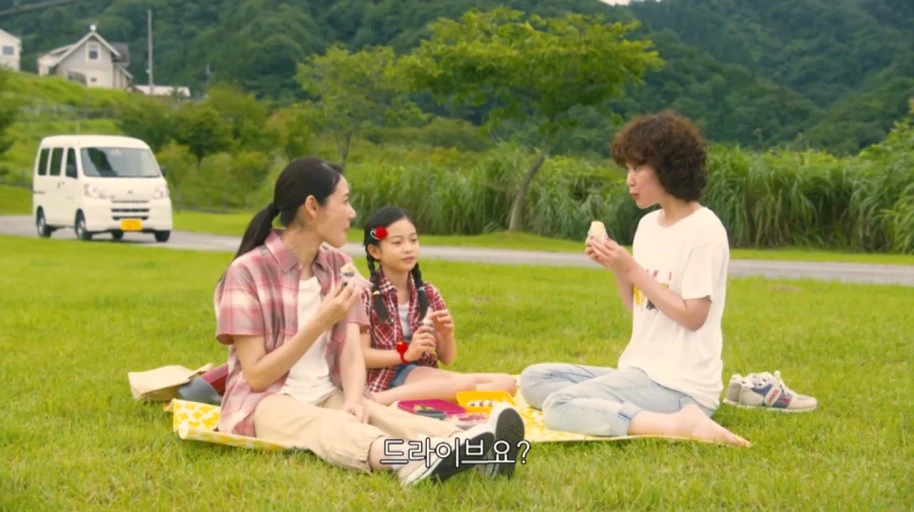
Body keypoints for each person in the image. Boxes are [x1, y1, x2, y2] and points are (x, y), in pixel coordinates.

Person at [212, 157, 525, 487]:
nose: (352, 213)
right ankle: (408, 460)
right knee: (331, 427)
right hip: (265, 403)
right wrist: (320, 322)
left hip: (327, 391)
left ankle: (474, 446)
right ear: (312, 207)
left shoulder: (340, 266)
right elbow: (257, 376)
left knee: (380, 415)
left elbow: (351, 353)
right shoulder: (246, 272)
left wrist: (352, 400)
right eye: (345, 202)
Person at [519, 111, 750, 447]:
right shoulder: (647, 226)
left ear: (669, 168)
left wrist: (632, 270)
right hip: (640, 373)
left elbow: (694, 317)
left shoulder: (705, 230)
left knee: (560, 405)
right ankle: (618, 408)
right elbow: (638, 308)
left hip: (681, 387)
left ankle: (682, 423)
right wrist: (616, 267)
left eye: (638, 168)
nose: (629, 179)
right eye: (627, 169)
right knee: (535, 379)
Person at [358, 206, 524, 476]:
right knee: (465, 385)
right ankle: (377, 401)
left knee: (507, 384)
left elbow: (447, 358)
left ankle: (461, 421)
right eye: (397, 242)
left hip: (419, 374)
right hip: (385, 377)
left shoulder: (428, 293)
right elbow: (361, 356)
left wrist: (446, 335)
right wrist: (405, 354)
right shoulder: (365, 294)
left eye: (413, 240)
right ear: (375, 251)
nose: (408, 248)